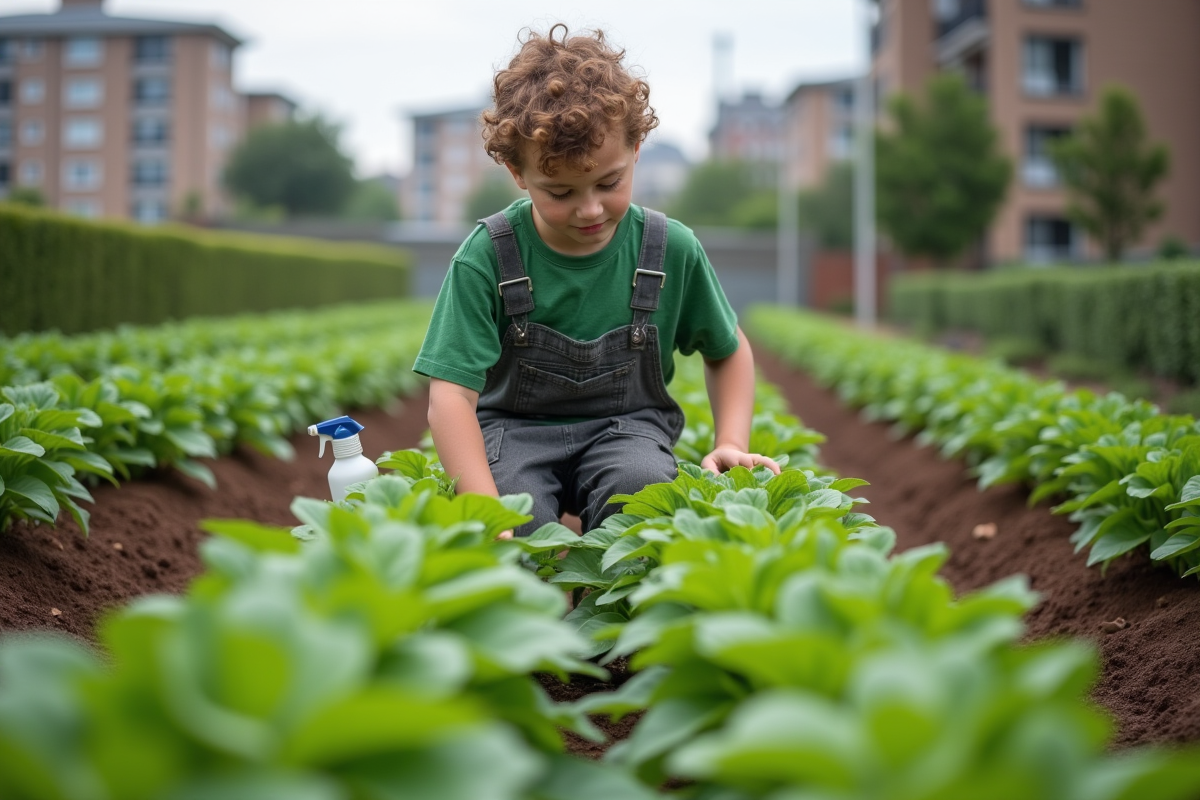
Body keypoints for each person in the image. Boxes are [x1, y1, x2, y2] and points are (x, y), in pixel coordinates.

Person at [413, 24, 779, 539]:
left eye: (609, 183)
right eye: (559, 191)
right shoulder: (487, 257)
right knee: (518, 520)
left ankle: (610, 612)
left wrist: (731, 440)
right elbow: (449, 397)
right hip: (513, 433)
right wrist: (483, 508)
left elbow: (727, 348)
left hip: (627, 428)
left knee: (643, 494)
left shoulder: (669, 248)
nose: (589, 209)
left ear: (636, 145)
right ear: (518, 173)